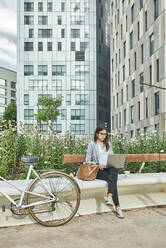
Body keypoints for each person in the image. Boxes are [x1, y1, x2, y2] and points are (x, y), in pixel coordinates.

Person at [85, 125, 124, 218]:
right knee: (113, 181)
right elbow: (87, 160)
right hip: (98, 170)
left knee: (114, 170)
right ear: (97, 134)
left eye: (105, 134)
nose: (104, 136)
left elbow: (112, 156)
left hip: (109, 168)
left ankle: (109, 196)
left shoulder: (108, 144)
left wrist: (114, 162)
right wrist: (98, 165)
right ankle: (118, 207)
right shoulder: (92, 145)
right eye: (102, 134)